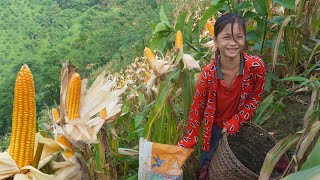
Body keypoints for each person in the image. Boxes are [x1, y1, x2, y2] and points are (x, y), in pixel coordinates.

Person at [177, 12, 266, 179]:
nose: (233, 43)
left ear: (244, 39)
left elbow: (255, 99)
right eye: (226, 37)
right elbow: (197, 110)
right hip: (214, 129)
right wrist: (189, 140)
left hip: (242, 126)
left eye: (238, 37)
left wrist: (237, 120)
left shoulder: (256, 67)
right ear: (216, 41)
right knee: (210, 166)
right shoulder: (208, 75)